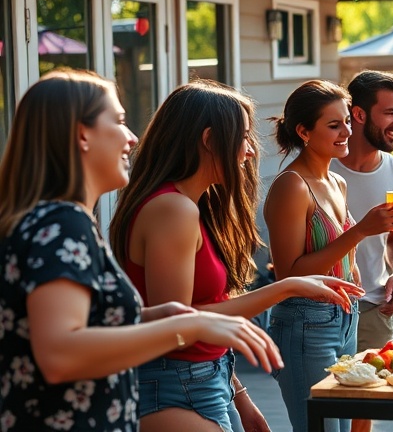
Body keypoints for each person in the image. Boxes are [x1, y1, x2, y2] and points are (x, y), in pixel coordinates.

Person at [0, 70, 283, 432]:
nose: (132, 138)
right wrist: (191, 322)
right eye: (118, 121)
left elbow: (84, 329)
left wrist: (155, 318)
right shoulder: (61, 223)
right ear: (82, 134)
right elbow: (59, 354)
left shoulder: (60, 220)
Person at [109, 80, 362, 432]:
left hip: (210, 378)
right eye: (243, 137)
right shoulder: (172, 209)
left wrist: (238, 394)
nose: (250, 151)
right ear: (210, 140)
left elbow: (207, 310)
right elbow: (176, 327)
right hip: (174, 386)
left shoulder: (197, 205)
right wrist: (287, 288)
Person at [264, 80, 393, 432]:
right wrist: (360, 231)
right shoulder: (291, 186)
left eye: (347, 121)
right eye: (334, 125)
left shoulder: (336, 183)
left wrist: (355, 268)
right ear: (303, 131)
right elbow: (287, 275)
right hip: (305, 323)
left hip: (345, 319)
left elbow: (340, 252)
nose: (347, 131)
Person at [330, 70, 393, 350]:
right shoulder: (321, 170)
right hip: (324, 311)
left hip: (376, 311)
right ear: (359, 115)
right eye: (390, 112)